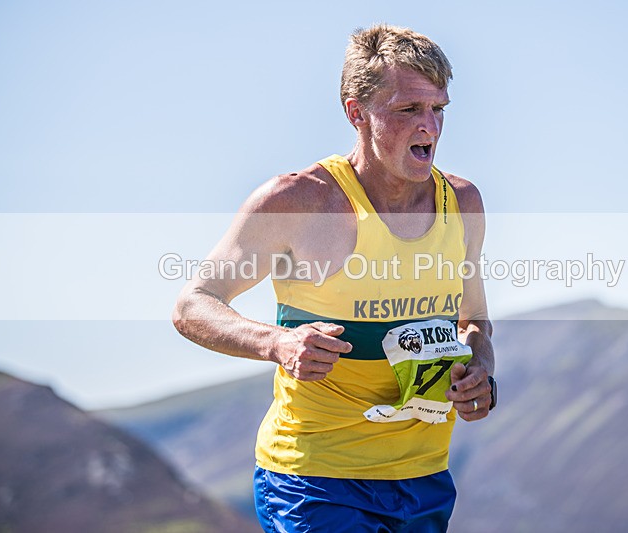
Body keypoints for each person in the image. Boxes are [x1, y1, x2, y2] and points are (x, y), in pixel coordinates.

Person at [173, 24, 496, 532]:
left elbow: (473, 319)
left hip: (423, 476)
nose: (429, 127)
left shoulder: (463, 204)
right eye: (408, 110)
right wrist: (277, 342)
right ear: (356, 113)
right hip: (314, 479)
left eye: (439, 109)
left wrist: (480, 369)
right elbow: (193, 303)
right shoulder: (299, 201)